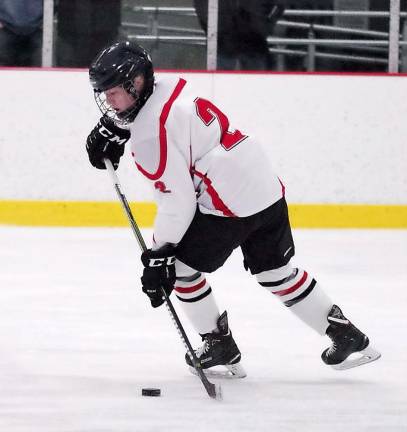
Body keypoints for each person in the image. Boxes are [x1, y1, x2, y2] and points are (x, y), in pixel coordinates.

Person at [85, 41, 381, 377]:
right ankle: (345, 333)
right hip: (264, 186)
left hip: (229, 203)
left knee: (179, 269)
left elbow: (177, 201)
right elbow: (166, 123)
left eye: (112, 92)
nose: (107, 101)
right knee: (274, 271)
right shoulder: (169, 90)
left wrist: (160, 252)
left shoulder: (148, 138)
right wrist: (123, 127)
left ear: (135, 84)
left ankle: (218, 343)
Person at [194, 0, 285, 70]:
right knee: (220, 88)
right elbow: (201, 6)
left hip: (254, 44)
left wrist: (263, 26)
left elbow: (279, 5)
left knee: (255, 89)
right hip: (222, 45)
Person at [0, 0, 43, 67]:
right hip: (5, 29)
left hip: (37, 31)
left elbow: (55, 3)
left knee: (40, 74)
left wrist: (47, 21)